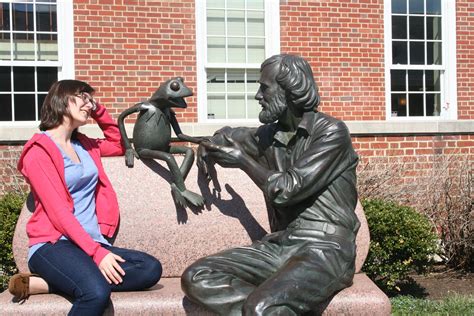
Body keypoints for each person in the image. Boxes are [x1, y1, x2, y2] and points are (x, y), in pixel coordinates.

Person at [181, 54, 360, 315]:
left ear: (290, 90)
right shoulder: (268, 135)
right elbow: (230, 135)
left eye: (264, 87)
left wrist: (243, 160)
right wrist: (211, 144)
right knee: (197, 276)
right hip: (279, 244)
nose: (258, 95)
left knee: (261, 308)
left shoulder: (331, 132)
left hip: (325, 248)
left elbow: (288, 189)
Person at [9, 80, 162, 315]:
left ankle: (49, 284)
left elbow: (120, 143)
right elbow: (58, 213)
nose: (88, 105)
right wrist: (97, 253)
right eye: (83, 97)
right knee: (95, 293)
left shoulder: (86, 145)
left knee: (150, 269)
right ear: (61, 101)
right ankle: (77, 279)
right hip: (54, 245)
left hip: (91, 243)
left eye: (90, 99)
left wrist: (99, 110)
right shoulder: (38, 152)